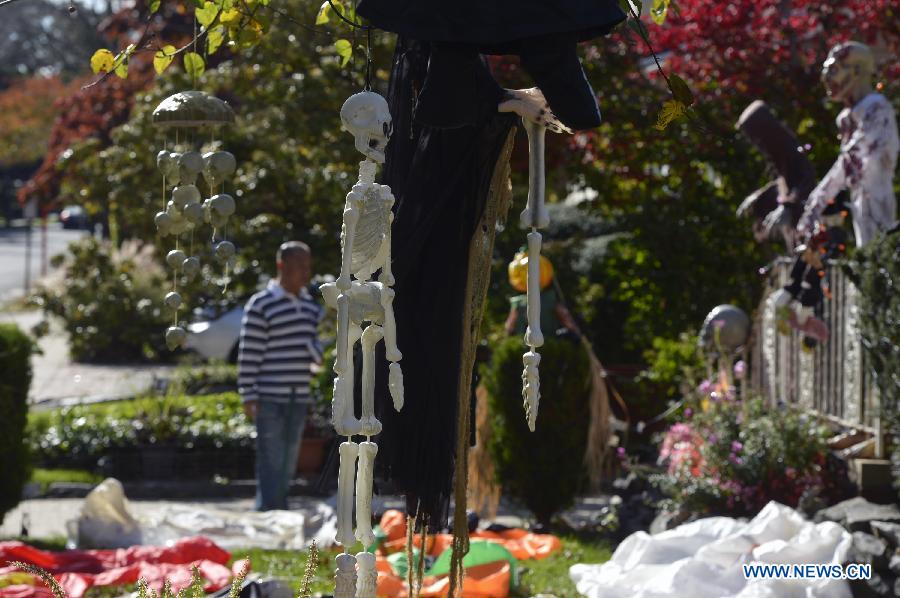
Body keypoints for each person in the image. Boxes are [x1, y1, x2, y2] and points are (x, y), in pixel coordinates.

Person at [238, 241, 324, 511]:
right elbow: (249, 353)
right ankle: (268, 510)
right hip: (269, 396)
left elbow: (315, 348)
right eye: (299, 266)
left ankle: (279, 507)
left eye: (307, 267)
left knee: (289, 459)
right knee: (270, 458)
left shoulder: (310, 306)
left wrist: (318, 354)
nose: (305, 273)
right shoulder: (261, 304)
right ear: (281, 266)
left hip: (297, 395)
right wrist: (248, 395)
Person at [797, 42, 899, 247]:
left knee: (878, 252)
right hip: (860, 198)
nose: (826, 78)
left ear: (858, 71)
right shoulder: (848, 117)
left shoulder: (876, 108)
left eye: (834, 70)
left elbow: (850, 159)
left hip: (877, 198)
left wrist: (817, 202)